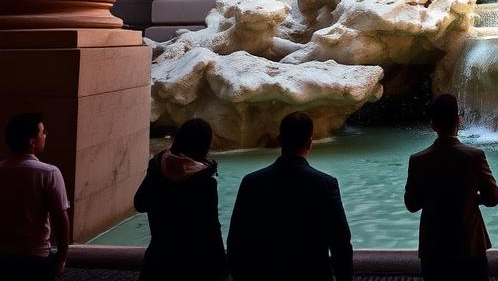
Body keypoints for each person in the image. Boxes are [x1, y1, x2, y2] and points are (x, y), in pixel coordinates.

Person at [227, 111, 352, 281]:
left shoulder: (251, 182)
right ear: (309, 143)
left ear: (279, 140)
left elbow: (236, 242)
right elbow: (341, 243)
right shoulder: (325, 184)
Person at [404, 94, 498, 281]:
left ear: (432, 125)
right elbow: (493, 198)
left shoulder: (418, 160)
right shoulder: (474, 156)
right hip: (470, 245)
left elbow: (412, 204)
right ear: (459, 121)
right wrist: (471, 198)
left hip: (433, 247)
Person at [134, 118, 227, 281]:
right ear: (205, 145)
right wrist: (221, 265)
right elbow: (211, 228)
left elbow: (140, 203)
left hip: (159, 258)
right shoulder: (204, 181)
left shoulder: (157, 167)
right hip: (194, 264)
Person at [0, 113, 70, 281]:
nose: (46, 135)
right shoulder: (49, 173)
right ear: (32, 142)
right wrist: (61, 257)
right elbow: (60, 219)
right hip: (35, 257)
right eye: (43, 132)